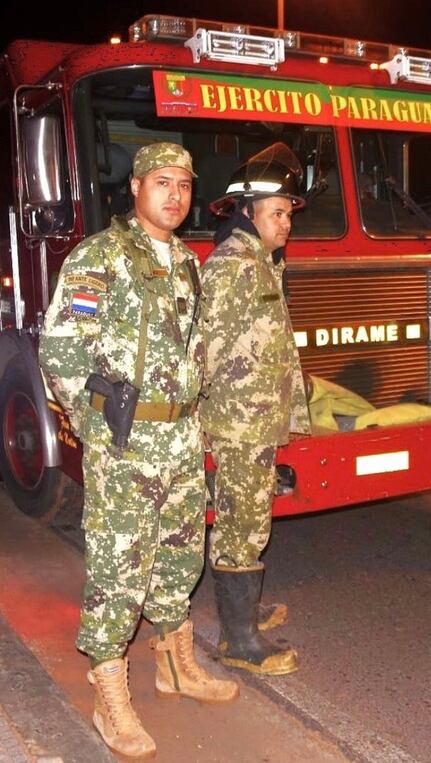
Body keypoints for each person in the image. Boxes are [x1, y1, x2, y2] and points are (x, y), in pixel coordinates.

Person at [39, 142, 238, 759]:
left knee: (181, 558)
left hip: (179, 438)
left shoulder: (185, 262)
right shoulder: (99, 258)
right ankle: (109, 696)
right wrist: (95, 429)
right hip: (125, 444)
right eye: (161, 182)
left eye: (183, 184)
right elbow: (63, 350)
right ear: (135, 187)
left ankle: (174, 666)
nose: (174, 195)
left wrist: (198, 419)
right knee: (119, 570)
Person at [201, 142, 311, 674]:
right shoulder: (232, 266)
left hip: (258, 414)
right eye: (279, 212)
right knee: (241, 521)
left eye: (288, 213)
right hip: (239, 420)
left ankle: (244, 611)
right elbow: (208, 348)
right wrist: (202, 418)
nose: (287, 222)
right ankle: (236, 640)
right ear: (248, 213)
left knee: (252, 516)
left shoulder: (262, 262)